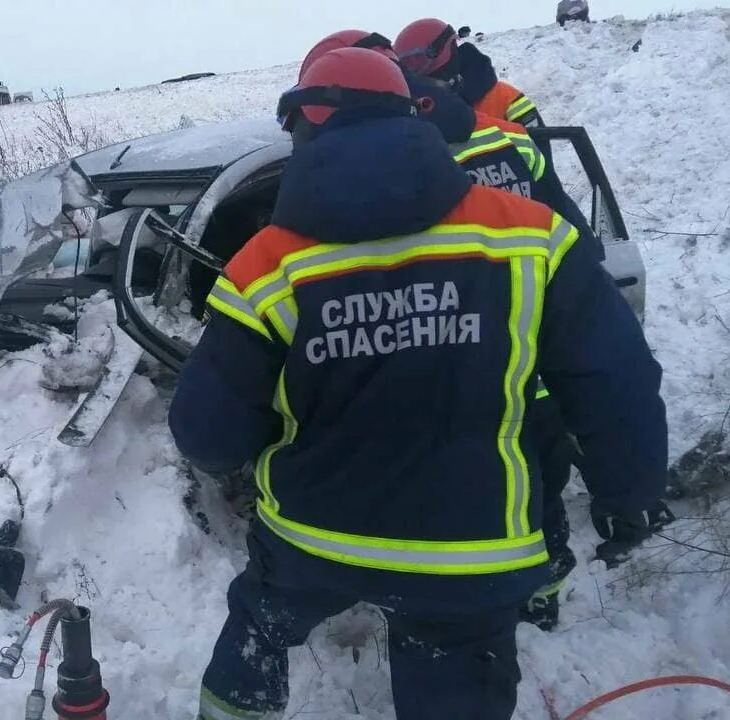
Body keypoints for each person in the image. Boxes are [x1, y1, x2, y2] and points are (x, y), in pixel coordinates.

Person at [169, 47, 670, 720]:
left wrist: (269, 439)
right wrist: (628, 492)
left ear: (307, 125)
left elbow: (207, 434)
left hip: (314, 539)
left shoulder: (264, 266)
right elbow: (618, 383)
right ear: (412, 119)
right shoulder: (530, 236)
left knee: (259, 627)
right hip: (470, 552)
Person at [395, 18, 544, 128]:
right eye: (407, 64)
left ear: (440, 51)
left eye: (418, 59)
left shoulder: (506, 99)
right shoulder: (416, 110)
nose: (414, 70)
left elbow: (542, 162)